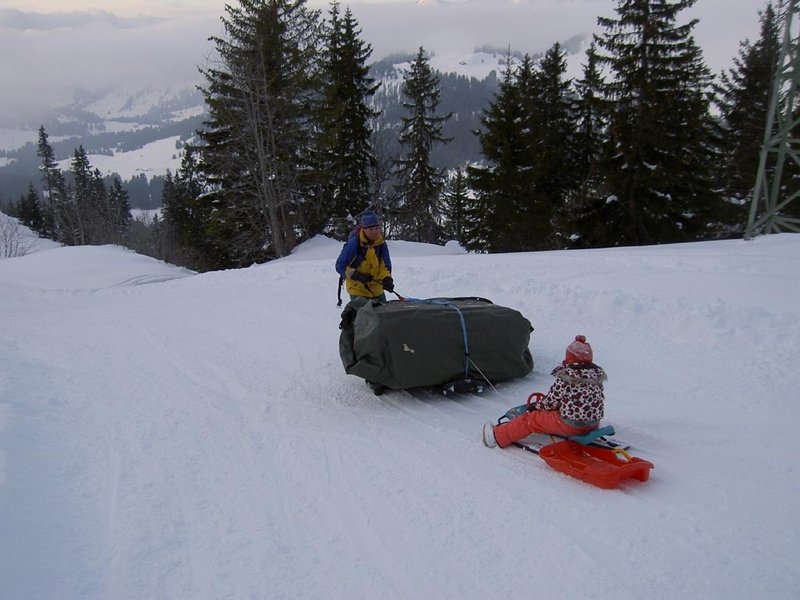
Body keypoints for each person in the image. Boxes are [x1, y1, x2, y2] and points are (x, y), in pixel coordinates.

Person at [483, 335, 606, 448]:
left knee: (531, 420)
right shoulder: (596, 376)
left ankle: (496, 436)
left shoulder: (568, 377)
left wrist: (536, 407)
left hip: (572, 425)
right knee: (556, 412)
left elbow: (551, 401)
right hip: (593, 424)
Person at [335, 210, 394, 302]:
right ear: (364, 229)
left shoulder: (381, 244)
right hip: (358, 290)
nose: (375, 232)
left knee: (382, 315)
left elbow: (385, 265)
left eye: (377, 228)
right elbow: (340, 266)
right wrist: (355, 275)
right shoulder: (354, 243)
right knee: (365, 316)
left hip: (377, 290)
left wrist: (387, 279)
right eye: (371, 229)